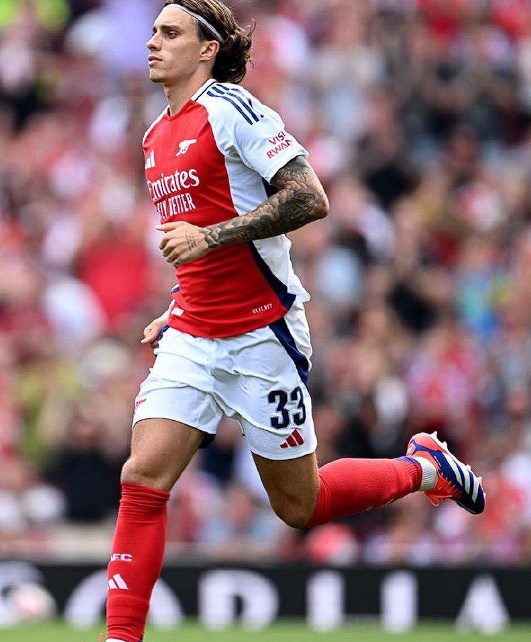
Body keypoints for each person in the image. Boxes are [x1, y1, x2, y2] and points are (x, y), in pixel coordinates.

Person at [104, 2, 486, 641]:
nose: (152, 42)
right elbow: (199, 243)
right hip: (194, 333)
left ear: (207, 49)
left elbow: (310, 196)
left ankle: (425, 468)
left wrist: (210, 237)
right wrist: (176, 304)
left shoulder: (234, 111)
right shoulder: (153, 138)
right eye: (152, 31)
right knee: (142, 476)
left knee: (299, 506)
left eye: (169, 33)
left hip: (263, 333)